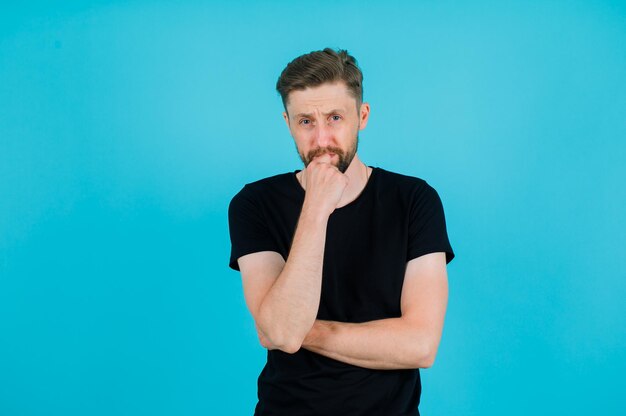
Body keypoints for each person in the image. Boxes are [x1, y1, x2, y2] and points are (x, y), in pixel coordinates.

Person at [228, 47, 455, 416]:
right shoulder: (254, 204)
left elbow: (420, 345)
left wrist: (303, 331)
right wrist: (317, 206)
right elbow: (279, 332)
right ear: (287, 123)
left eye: (334, 118)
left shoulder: (415, 200)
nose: (321, 140)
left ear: (362, 116)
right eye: (305, 121)